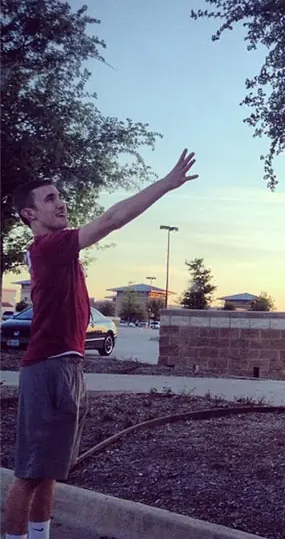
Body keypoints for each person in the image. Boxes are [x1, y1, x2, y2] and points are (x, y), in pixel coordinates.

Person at [4, 150, 198, 539]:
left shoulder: (60, 250)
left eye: (60, 196)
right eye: (50, 199)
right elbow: (111, 219)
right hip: (46, 369)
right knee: (28, 474)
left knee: (49, 472)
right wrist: (165, 184)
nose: (61, 203)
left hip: (69, 366)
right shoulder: (49, 247)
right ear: (29, 214)